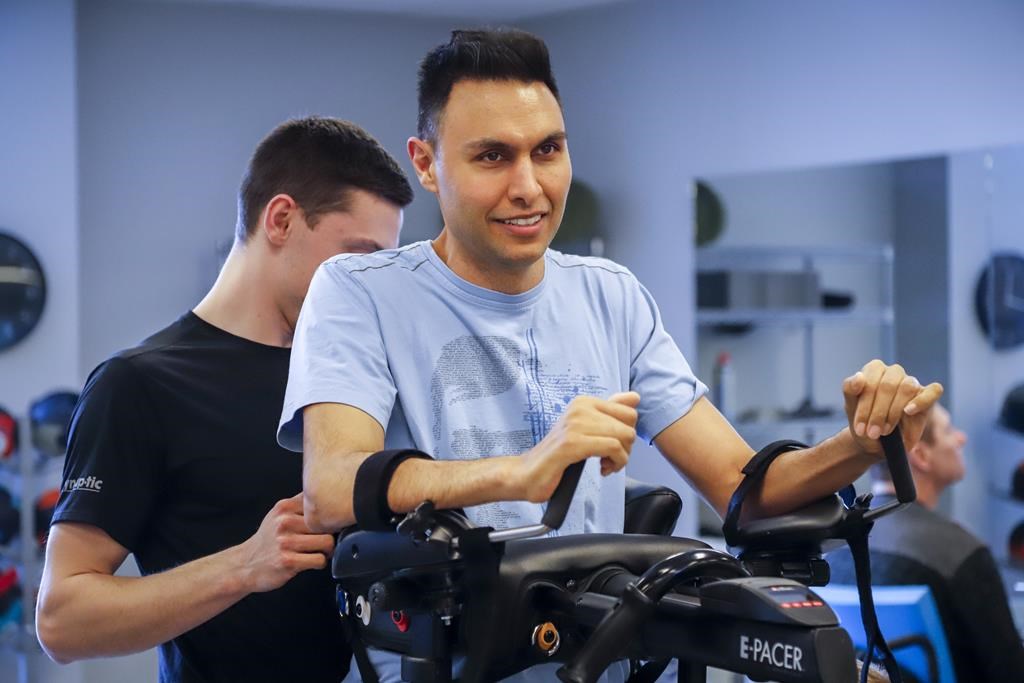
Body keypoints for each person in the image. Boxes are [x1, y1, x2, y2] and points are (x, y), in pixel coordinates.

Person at [277, 29, 943, 681]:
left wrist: (862, 443)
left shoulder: (609, 295)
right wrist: (520, 471)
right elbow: (332, 487)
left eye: (548, 149)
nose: (529, 185)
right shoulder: (359, 291)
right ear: (426, 163)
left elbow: (742, 483)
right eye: (492, 157)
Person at [36, 117, 414, 682]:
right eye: (357, 258)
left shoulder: (352, 378)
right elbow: (62, 622)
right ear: (281, 219)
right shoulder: (137, 385)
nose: (369, 285)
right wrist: (246, 565)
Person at [829, 404, 1024, 682]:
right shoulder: (960, 554)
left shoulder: (834, 547)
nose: (961, 438)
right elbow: (1011, 673)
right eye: (948, 430)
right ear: (920, 455)